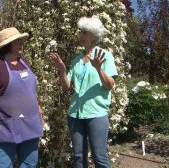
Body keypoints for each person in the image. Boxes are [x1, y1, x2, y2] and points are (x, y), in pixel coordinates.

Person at [50, 16, 118, 168]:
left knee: (99, 157)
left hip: (96, 114)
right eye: (80, 32)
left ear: (94, 35)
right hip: (75, 115)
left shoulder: (105, 56)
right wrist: (62, 70)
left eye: (85, 32)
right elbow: (66, 86)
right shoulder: (77, 60)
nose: (80, 35)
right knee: (79, 157)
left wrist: (99, 68)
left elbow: (110, 85)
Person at [0, 27, 43, 168]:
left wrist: (38, 111)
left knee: (29, 164)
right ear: (7, 45)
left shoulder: (24, 62)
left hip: (30, 124)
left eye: (21, 40)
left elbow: (30, 91)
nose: (21, 43)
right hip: (3, 126)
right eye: (17, 41)